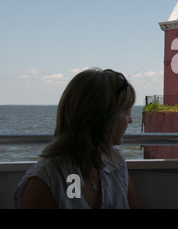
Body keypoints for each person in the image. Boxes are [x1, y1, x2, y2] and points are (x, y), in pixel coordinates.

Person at [15, 68, 143, 209]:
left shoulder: (115, 163)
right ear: (106, 119)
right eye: (127, 111)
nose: (130, 120)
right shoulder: (46, 182)